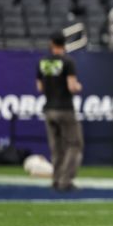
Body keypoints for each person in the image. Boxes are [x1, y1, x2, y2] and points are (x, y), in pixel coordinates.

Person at [36, 31, 84, 192]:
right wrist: (78, 87)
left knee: (56, 147)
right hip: (65, 108)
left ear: (51, 44)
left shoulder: (42, 62)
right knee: (74, 144)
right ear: (64, 44)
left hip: (49, 109)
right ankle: (65, 180)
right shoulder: (67, 62)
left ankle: (56, 179)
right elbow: (72, 86)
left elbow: (40, 87)